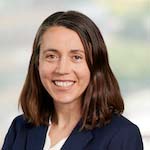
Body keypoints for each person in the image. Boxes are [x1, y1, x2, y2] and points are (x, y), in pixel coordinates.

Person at [2, 10, 143, 150]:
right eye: (51, 56)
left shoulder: (122, 135)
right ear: (37, 63)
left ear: (95, 65)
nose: (62, 69)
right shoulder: (20, 128)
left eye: (76, 57)